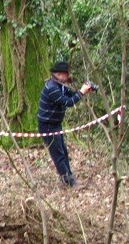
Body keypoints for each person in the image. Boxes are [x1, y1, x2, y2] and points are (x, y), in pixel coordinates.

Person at [37, 60, 94, 188]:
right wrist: (82, 92)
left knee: (63, 151)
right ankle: (69, 182)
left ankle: (69, 178)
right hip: (48, 126)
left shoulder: (60, 85)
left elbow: (72, 95)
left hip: (56, 124)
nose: (68, 76)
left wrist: (83, 90)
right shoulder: (52, 88)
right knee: (58, 155)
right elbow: (68, 102)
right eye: (66, 74)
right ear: (59, 74)